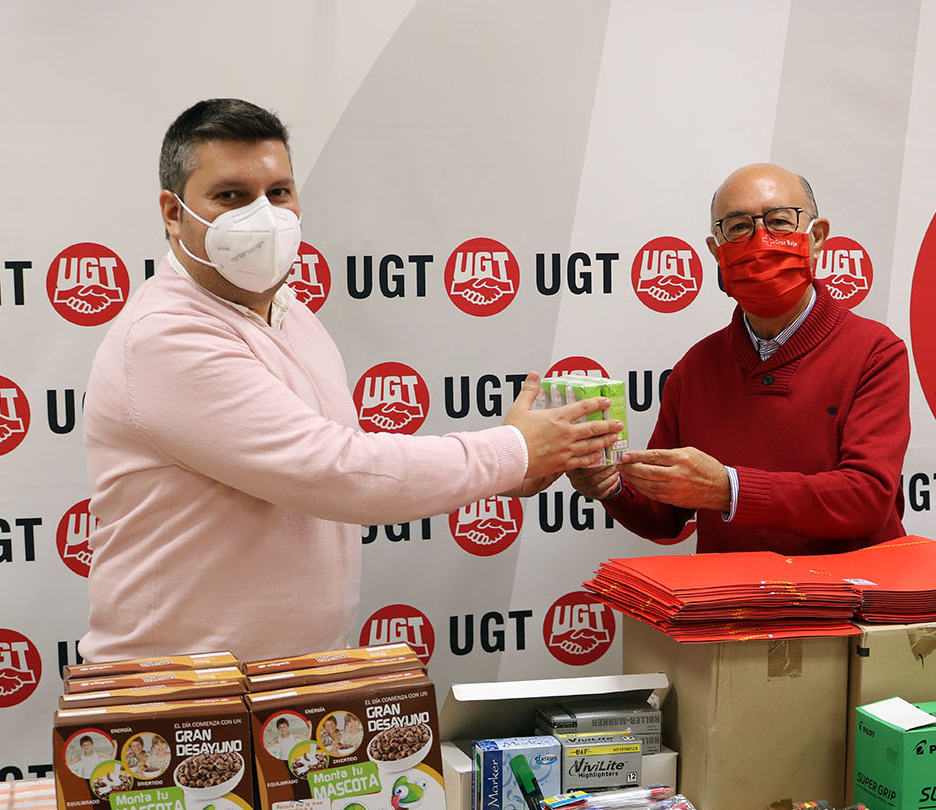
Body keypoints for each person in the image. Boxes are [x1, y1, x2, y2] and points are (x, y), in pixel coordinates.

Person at [82, 99, 621, 663]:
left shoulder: (291, 314)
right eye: (231, 196)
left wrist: (518, 468)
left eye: (279, 192)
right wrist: (513, 451)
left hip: (294, 680)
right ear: (173, 213)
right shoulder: (165, 335)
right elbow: (335, 472)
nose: (264, 215)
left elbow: (348, 469)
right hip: (177, 696)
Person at [570, 163, 909, 554]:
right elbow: (663, 515)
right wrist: (610, 486)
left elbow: (866, 498)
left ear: (816, 238)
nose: (761, 240)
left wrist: (729, 489)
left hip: (848, 604)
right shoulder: (695, 368)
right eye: (739, 227)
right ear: (717, 251)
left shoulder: (875, 351)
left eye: (780, 222)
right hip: (734, 608)